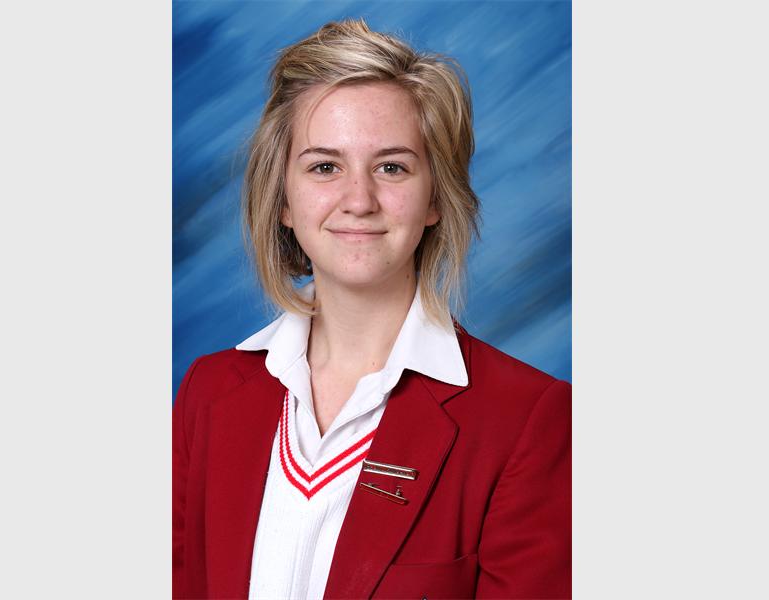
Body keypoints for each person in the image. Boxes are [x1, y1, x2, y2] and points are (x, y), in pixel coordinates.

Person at [173, 18, 571, 600]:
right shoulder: (208, 393)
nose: (358, 200)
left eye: (392, 167)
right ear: (283, 201)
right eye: (324, 166)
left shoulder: (526, 421)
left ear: (435, 198)